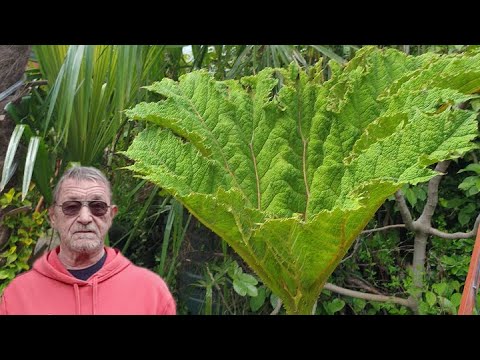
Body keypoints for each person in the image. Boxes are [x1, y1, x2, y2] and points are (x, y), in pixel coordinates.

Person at [0, 166, 176, 315]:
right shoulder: (18, 296)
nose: (85, 218)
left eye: (98, 207)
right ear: (53, 216)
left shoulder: (152, 293)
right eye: (71, 207)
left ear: (111, 215)